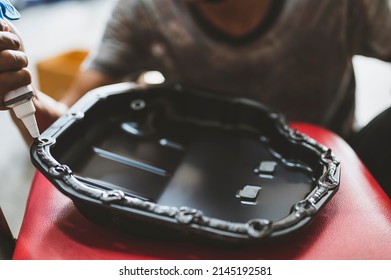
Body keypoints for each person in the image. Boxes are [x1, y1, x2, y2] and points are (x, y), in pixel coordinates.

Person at [1, 0, 391, 195]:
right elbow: (68, 131)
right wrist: (20, 93)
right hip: (206, 186)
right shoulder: (145, 11)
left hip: (337, 169)